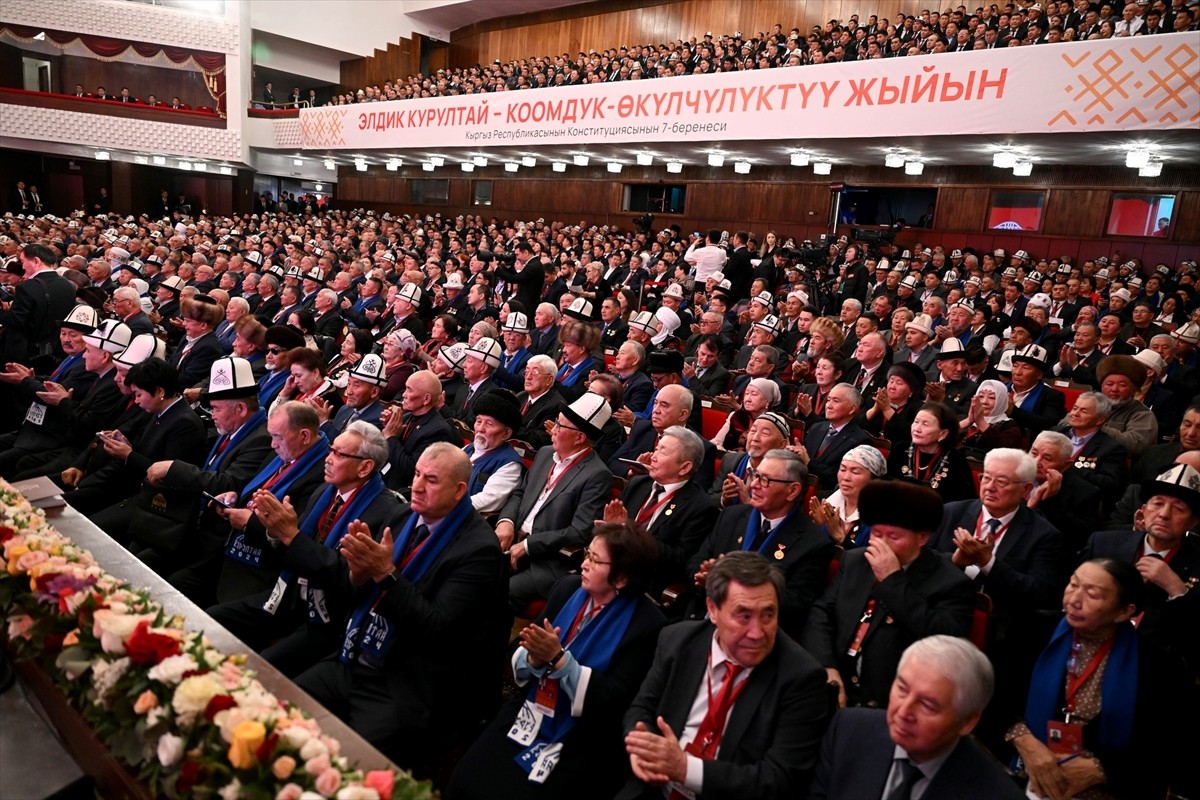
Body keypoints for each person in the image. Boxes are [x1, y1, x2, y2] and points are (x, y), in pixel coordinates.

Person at [294, 443, 507, 767]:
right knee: (282, 712)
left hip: (408, 680)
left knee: (342, 763)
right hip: (355, 654)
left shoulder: (480, 551)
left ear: (459, 490)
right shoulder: (404, 514)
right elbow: (357, 594)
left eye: (431, 480)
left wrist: (383, 573)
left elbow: (436, 629)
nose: (417, 486)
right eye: (417, 474)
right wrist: (358, 574)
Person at [447, 522, 665, 799]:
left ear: (621, 578)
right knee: (465, 779)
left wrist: (559, 660)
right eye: (587, 554)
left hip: (581, 735)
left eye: (594, 560)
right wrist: (535, 659)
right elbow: (522, 646)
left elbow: (613, 702)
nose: (584, 564)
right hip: (531, 707)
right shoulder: (568, 588)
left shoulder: (647, 625)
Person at [618, 551, 831, 800]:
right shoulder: (677, 641)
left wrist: (686, 769)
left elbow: (778, 781)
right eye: (744, 616)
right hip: (653, 789)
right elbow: (642, 707)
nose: (757, 632)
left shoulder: (802, 679)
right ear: (713, 609)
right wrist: (645, 749)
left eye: (768, 615)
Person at [999, 559, 1184, 800]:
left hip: (1107, 786)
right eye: (1073, 584)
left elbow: (1166, 745)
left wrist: (1102, 770)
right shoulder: (1033, 629)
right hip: (1025, 770)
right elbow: (994, 699)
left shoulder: (1155, 662)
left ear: (1123, 611)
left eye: (1092, 594)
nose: (1074, 600)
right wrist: (1025, 742)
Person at [802, 480, 975, 708]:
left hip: (892, 700)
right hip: (833, 678)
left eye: (893, 537)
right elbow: (822, 612)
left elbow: (942, 640)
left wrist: (892, 579)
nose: (880, 544)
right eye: (876, 534)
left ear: (922, 538)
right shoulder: (857, 560)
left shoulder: (951, 583)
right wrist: (827, 667)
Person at [808, 636, 1024, 800]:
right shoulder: (848, 731)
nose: (902, 713)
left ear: (967, 722)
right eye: (902, 689)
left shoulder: (996, 794)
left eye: (927, 705)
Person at [686, 449, 835, 639]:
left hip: (755, 636)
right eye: (755, 475)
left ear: (792, 491)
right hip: (702, 619)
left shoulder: (813, 543)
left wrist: (728, 584)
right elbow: (695, 562)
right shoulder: (731, 517)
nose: (753, 485)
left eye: (765, 480)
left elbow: (794, 606)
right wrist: (704, 577)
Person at [931, 448, 1065, 645]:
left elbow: (1040, 593)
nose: (990, 487)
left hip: (1001, 630)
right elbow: (921, 559)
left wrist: (988, 563)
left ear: (1026, 489)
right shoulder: (951, 512)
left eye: (1001, 482)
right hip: (939, 611)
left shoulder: (1044, 535)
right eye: (986, 478)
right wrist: (954, 561)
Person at [1082, 463, 1200, 681]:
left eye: (1178, 509)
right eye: (1158, 504)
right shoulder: (1104, 543)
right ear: (1143, 511)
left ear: (1192, 522)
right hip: (1089, 652)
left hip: (1157, 672)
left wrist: (1177, 591)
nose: (1164, 514)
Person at [499, 393, 614, 613]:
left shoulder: (597, 475)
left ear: (579, 437)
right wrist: (506, 521)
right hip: (512, 539)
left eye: (560, 426)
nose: (552, 430)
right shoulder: (544, 453)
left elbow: (579, 531)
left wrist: (528, 546)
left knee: (501, 590)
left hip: (546, 560)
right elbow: (520, 493)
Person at [603, 425, 718, 594]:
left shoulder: (701, 507)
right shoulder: (638, 484)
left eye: (663, 452)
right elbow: (612, 524)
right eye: (656, 449)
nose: (653, 457)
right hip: (610, 566)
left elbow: (680, 560)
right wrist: (607, 528)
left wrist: (631, 534)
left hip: (647, 584)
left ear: (685, 467)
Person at [381, 369, 459, 492]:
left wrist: (391, 436)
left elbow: (411, 469)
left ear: (426, 399)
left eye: (409, 389)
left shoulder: (438, 431)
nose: (403, 394)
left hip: (403, 492)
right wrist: (387, 427)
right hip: (384, 478)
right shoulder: (407, 417)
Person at [0, 244, 77, 367]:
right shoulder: (68, 285)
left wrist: (3, 313)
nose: (22, 266)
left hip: (25, 354)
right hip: (54, 352)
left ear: (36, 261)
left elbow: (16, 321)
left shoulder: (27, 286)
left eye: (22, 261)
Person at [886, 402, 976, 502]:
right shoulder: (901, 449)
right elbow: (885, 486)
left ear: (943, 434)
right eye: (916, 422)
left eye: (925, 424)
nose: (917, 429)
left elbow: (963, 503)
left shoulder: (955, 460)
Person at [808, 444, 887, 549]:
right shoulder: (826, 501)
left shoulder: (882, 517)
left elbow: (868, 562)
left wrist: (839, 536)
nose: (846, 478)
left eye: (855, 472)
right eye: (843, 469)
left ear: (874, 480)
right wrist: (819, 527)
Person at [798, 382, 871, 493]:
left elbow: (837, 477)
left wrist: (809, 461)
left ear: (852, 409)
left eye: (836, 401)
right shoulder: (816, 428)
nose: (829, 405)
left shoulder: (860, 441)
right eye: (828, 400)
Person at [464, 391, 525, 514]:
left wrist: (446, 507)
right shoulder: (467, 449)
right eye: (479, 421)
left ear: (506, 433)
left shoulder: (510, 465)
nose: (480, 428)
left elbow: (486, 500)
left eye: (489, 424)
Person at [959, 378, 1025, 454]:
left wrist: (981, 422)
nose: (984, 402)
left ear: (1001, 401)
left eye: (992, 397)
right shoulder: (967, 419)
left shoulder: (1009, 426)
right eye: (980, 396)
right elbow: (944, 435)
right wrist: (968, 421)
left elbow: (1005, 451)